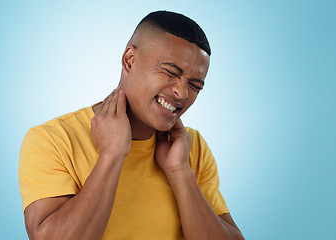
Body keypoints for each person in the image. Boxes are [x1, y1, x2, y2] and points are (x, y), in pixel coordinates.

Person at [19, 10, 244, 240]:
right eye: (170, 72)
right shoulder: (53, 140)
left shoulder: (191, 148)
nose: (182, 92)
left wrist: (180, 173)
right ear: (130, 60)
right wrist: (111, 154)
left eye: (195, 85)